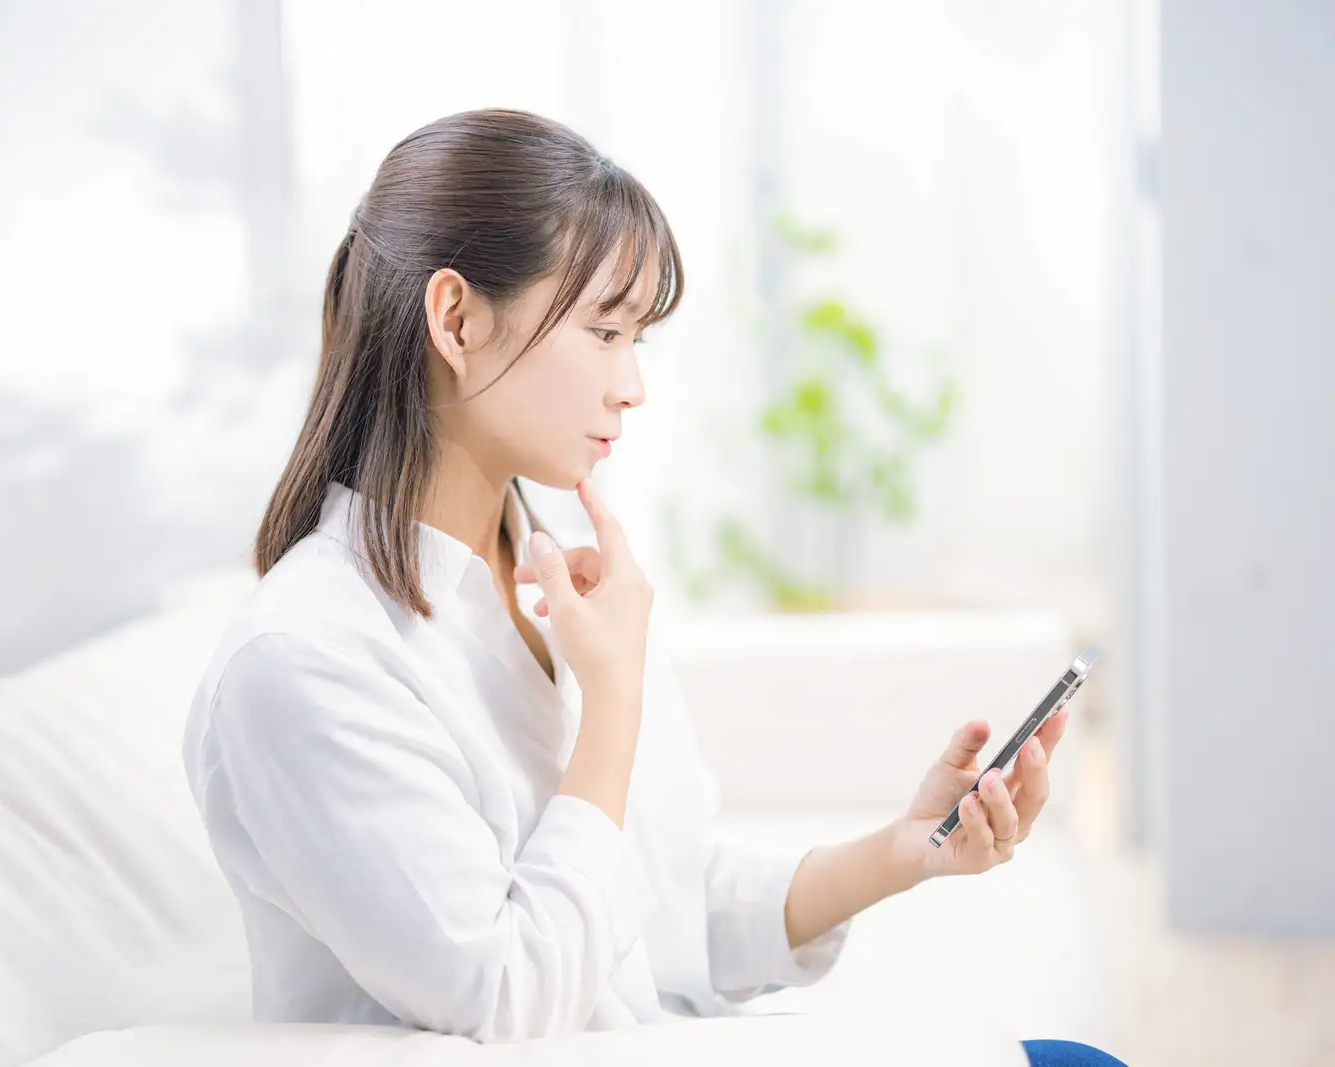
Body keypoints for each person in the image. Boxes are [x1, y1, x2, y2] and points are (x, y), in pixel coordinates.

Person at [180, 108, 1128, 1066]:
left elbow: (675, 907)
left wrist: (904, 850)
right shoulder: (303, 659)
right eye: (604, 330)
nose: (631, 384)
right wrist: (614, 702)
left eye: (636, 336)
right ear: (456, 320)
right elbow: (506, 995)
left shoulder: (552, 580)